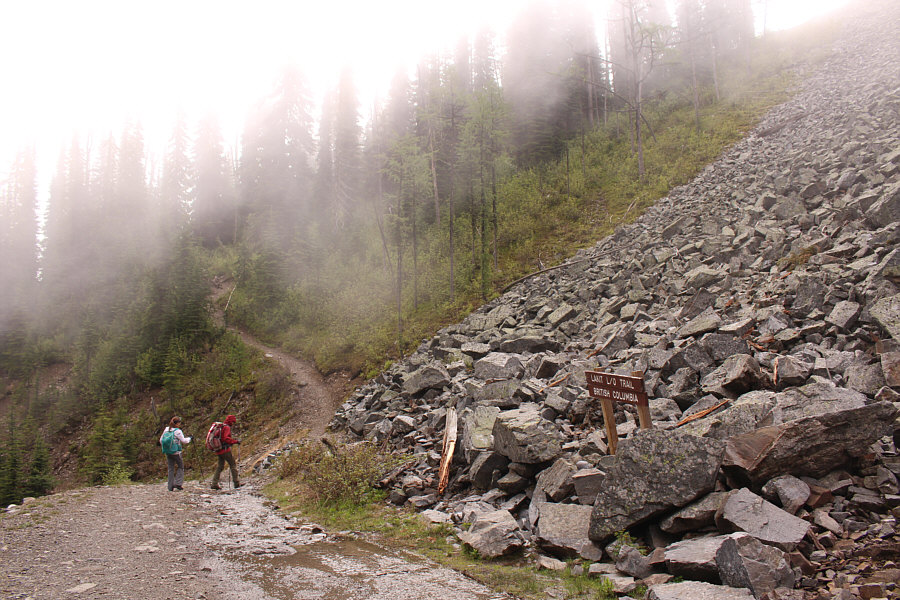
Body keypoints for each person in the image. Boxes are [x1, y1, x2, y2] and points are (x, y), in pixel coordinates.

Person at [160, 416, 192, 492]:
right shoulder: (178, 431)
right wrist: (190, 438)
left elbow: (161, 440)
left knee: (170, 468)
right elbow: (184, 441)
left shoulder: (166, 429)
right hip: (176, 452)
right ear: (177, 423)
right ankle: (178, 483)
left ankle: (170, 486)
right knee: (180, 466)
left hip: (168, 452)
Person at [211, 414, 241, 490]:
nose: (233, 424)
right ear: (231, 421)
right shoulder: (227, 427)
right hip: (225, 449)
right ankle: (236, 483)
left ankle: (214, 483)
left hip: (219, 449)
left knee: (220, 466)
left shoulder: (221, 426)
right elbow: (225, 438)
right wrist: (235, 441)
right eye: (233, 422)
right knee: (233, 464)